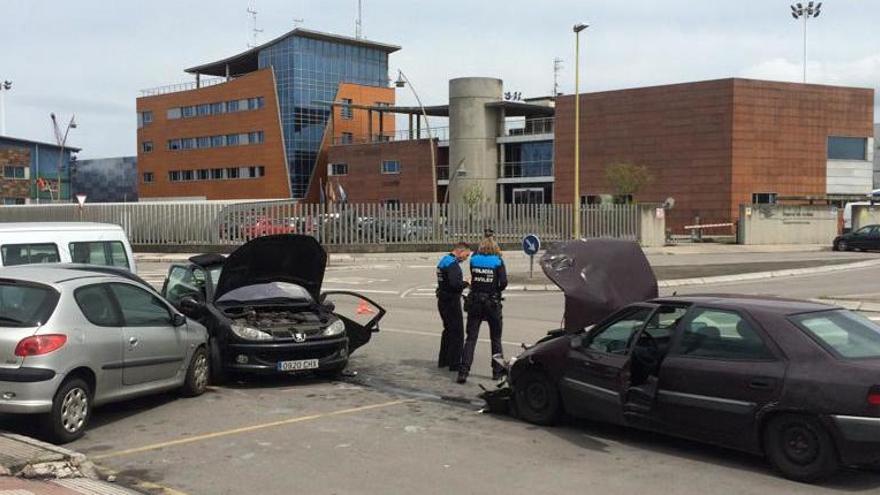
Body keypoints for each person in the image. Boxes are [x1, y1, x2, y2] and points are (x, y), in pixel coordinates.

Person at [457, 236, 507, 384]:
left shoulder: (474, 260)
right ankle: (497, 372)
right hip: (492, 302)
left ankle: (463, 372)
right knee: (496, 338)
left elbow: (474, 277)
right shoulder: (498, 261)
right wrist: (495, 290)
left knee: (471, 338)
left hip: (475, 302)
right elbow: (503, 282)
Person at [436, 242, 471, 371]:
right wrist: (466, 283)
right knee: (457, 332)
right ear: (460, 251)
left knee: (448, 331)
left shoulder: (444, 260)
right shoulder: (452, 265)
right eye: (466, 255)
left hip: (442, 300)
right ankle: (454, 363)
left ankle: (443, 360)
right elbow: (454, 284)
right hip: (451, 301)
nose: (466, 258)